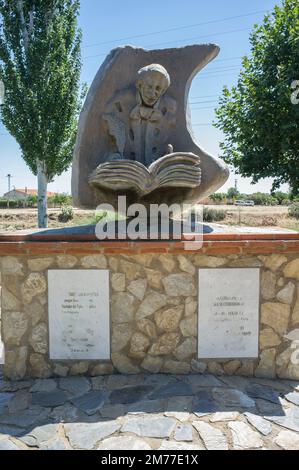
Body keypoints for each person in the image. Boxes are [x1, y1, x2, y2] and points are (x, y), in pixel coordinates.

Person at [103, 64, 176, 167]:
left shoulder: (169, 109)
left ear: (163, 91)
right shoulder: (119, 103)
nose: (153, 93)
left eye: (158, 89)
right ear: (139, 85)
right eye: (149, 86)